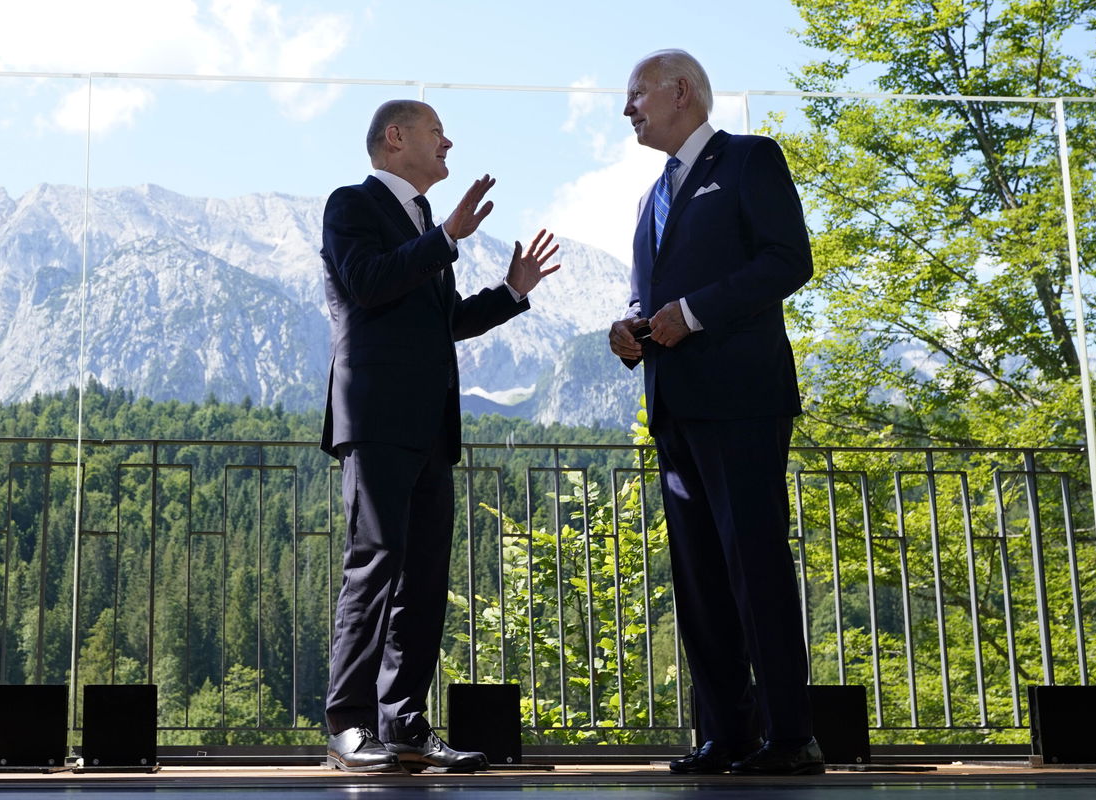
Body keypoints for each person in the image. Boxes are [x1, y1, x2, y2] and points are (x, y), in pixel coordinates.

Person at [320, 99, 560, 774]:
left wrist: (512, 292)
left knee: (423, 579)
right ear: (396, 139)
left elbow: (442, 321)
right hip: (375, 420)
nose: (448, 141)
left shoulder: (424, 223)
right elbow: (367, 285)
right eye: (435, 132)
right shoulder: (351, 205)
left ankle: (405, 725)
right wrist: (447, 237)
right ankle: (348, 725)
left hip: (431, 427)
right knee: (374, 566)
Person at [608, 50, 822, 775]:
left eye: (635, 95)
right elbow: (650, 297)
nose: (627, 109)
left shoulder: (750, 160)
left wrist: (692, 315)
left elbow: (788, 260)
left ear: (680, 92)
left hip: (742, 401)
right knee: (698, 577)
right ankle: (727, 734)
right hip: (674, 408)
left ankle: (791, 738)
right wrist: (632, 327)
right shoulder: (647, 199)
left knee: (752, 562)